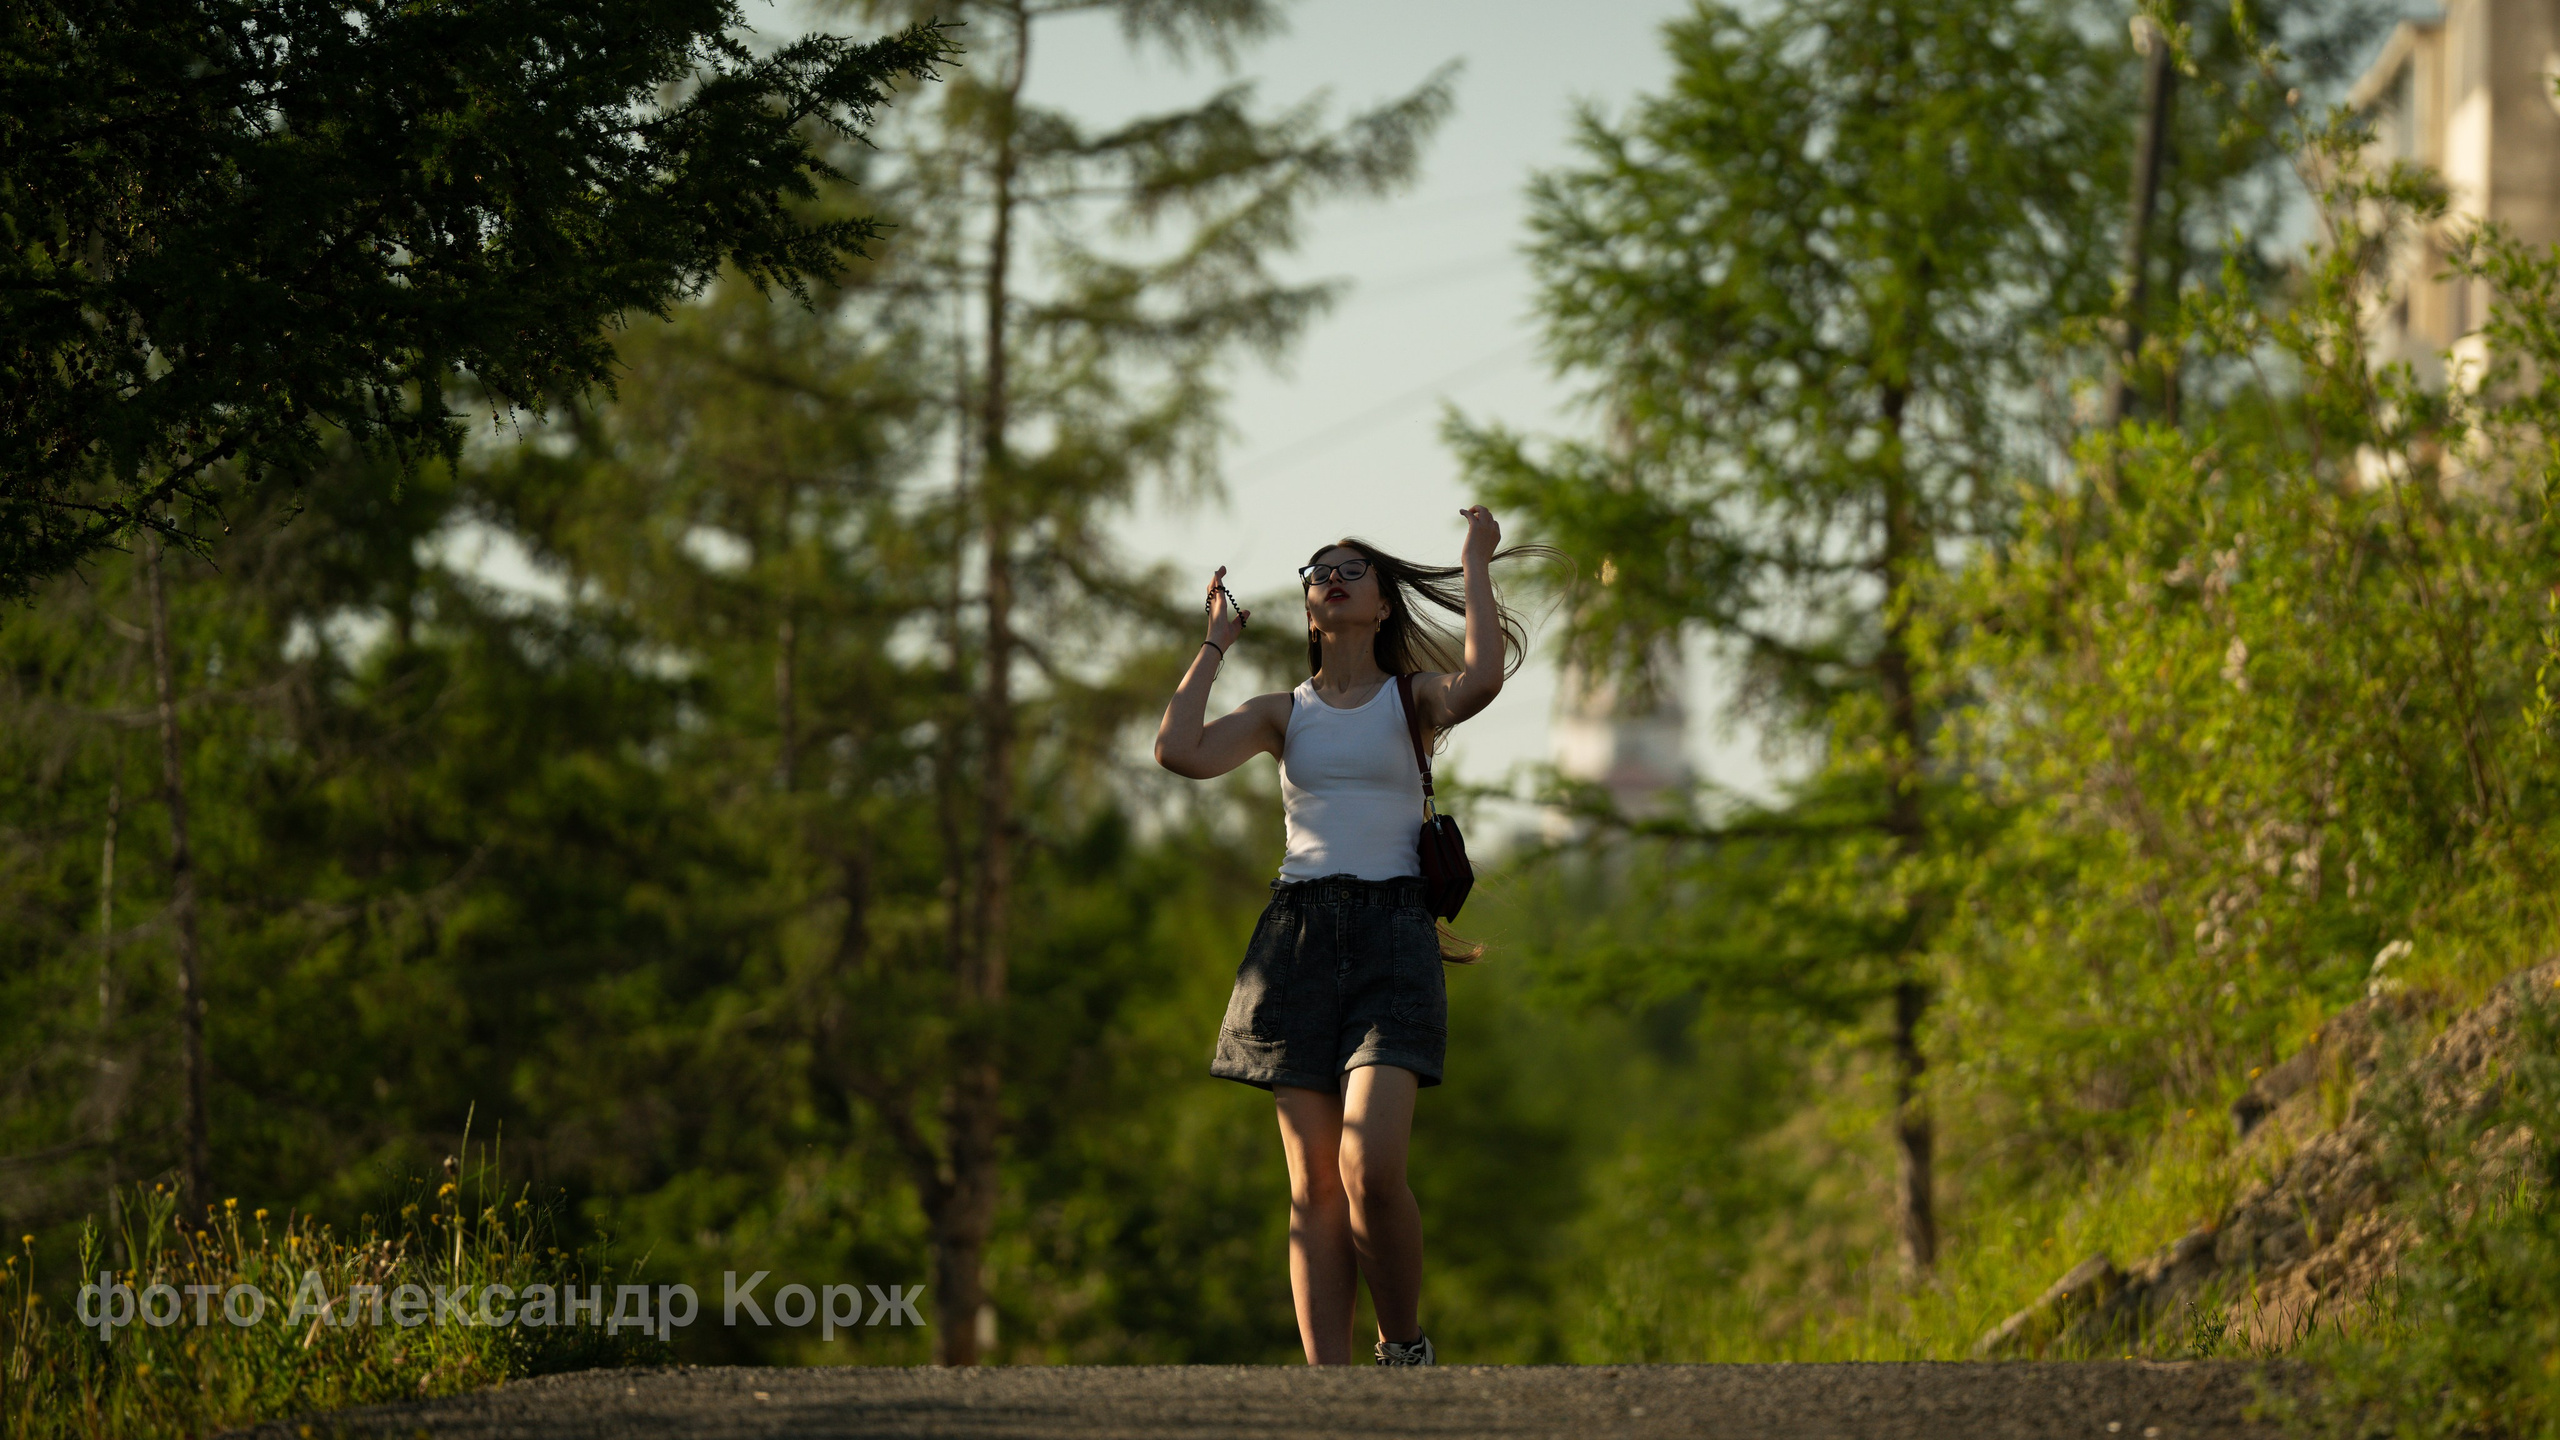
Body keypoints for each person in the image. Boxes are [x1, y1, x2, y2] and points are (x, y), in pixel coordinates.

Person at [1152, 505, 1540, 1367]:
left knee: (1369, 1171)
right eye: (1316, 571)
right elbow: (1177, 750)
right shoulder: (1281, 715)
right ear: (1310, 611)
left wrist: (1476, 560)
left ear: (1381, 606)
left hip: (1394, 934)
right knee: (1314, 1191)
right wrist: (1215, 641)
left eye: (1348, 569)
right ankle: (1327, 1391)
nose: (1329, 576)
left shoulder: (1413, 700)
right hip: (1293, 940)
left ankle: (1402, 1348)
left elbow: (1480, 678)